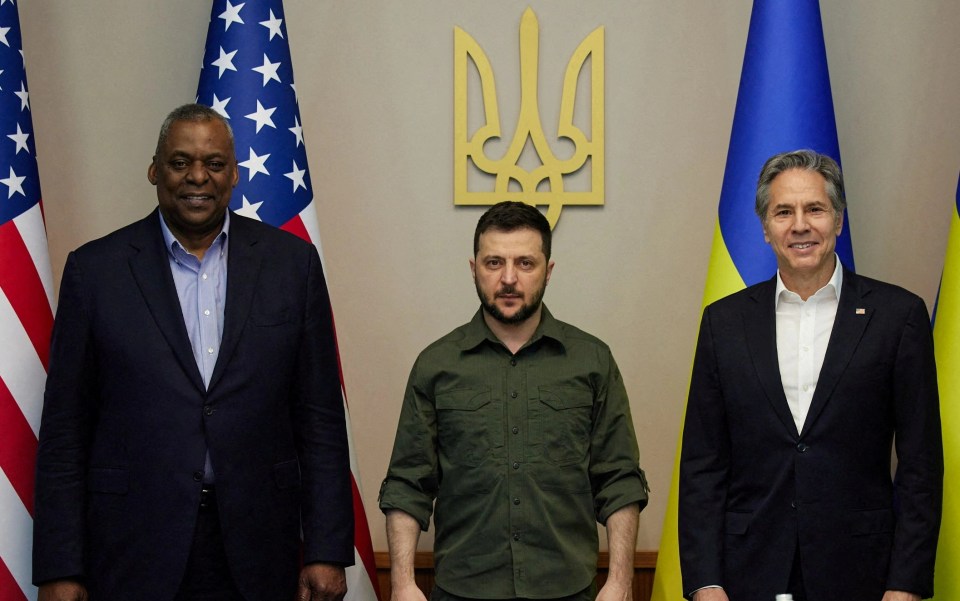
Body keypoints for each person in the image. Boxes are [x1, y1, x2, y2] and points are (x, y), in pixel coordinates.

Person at [32, 104, 354, 601]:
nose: (197, 176)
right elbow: (64, 430)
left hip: (259, 546)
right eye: (180, 162)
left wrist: (327, 549)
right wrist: (60, 566)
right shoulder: (96, 272)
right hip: (134, 547)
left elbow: (320, 419)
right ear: (154, 169)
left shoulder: (292, 265)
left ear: (235, 173)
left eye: (214, 163)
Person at [678, 150, 943, 601]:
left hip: (863, 574)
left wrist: (905, 585)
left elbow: (921, 467)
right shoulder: (723, 324)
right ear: (765, 228)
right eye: (784, 212)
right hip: (748, 575)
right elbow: (703, 466)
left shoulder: (898, 317)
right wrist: (706, 582)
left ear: (838, 220)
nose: (800, 225)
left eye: (815, 209)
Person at [379, 201, 649, 601]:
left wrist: (621, 581)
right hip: (463, 589)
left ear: (548, 270)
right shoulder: (436, 365)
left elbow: (619, 479)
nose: (508, 278)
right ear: (474, 269)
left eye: (525, 263)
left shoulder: (592, 360)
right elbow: (407, 485)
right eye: (493, 263)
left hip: (568, 589)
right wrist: (402, 583)